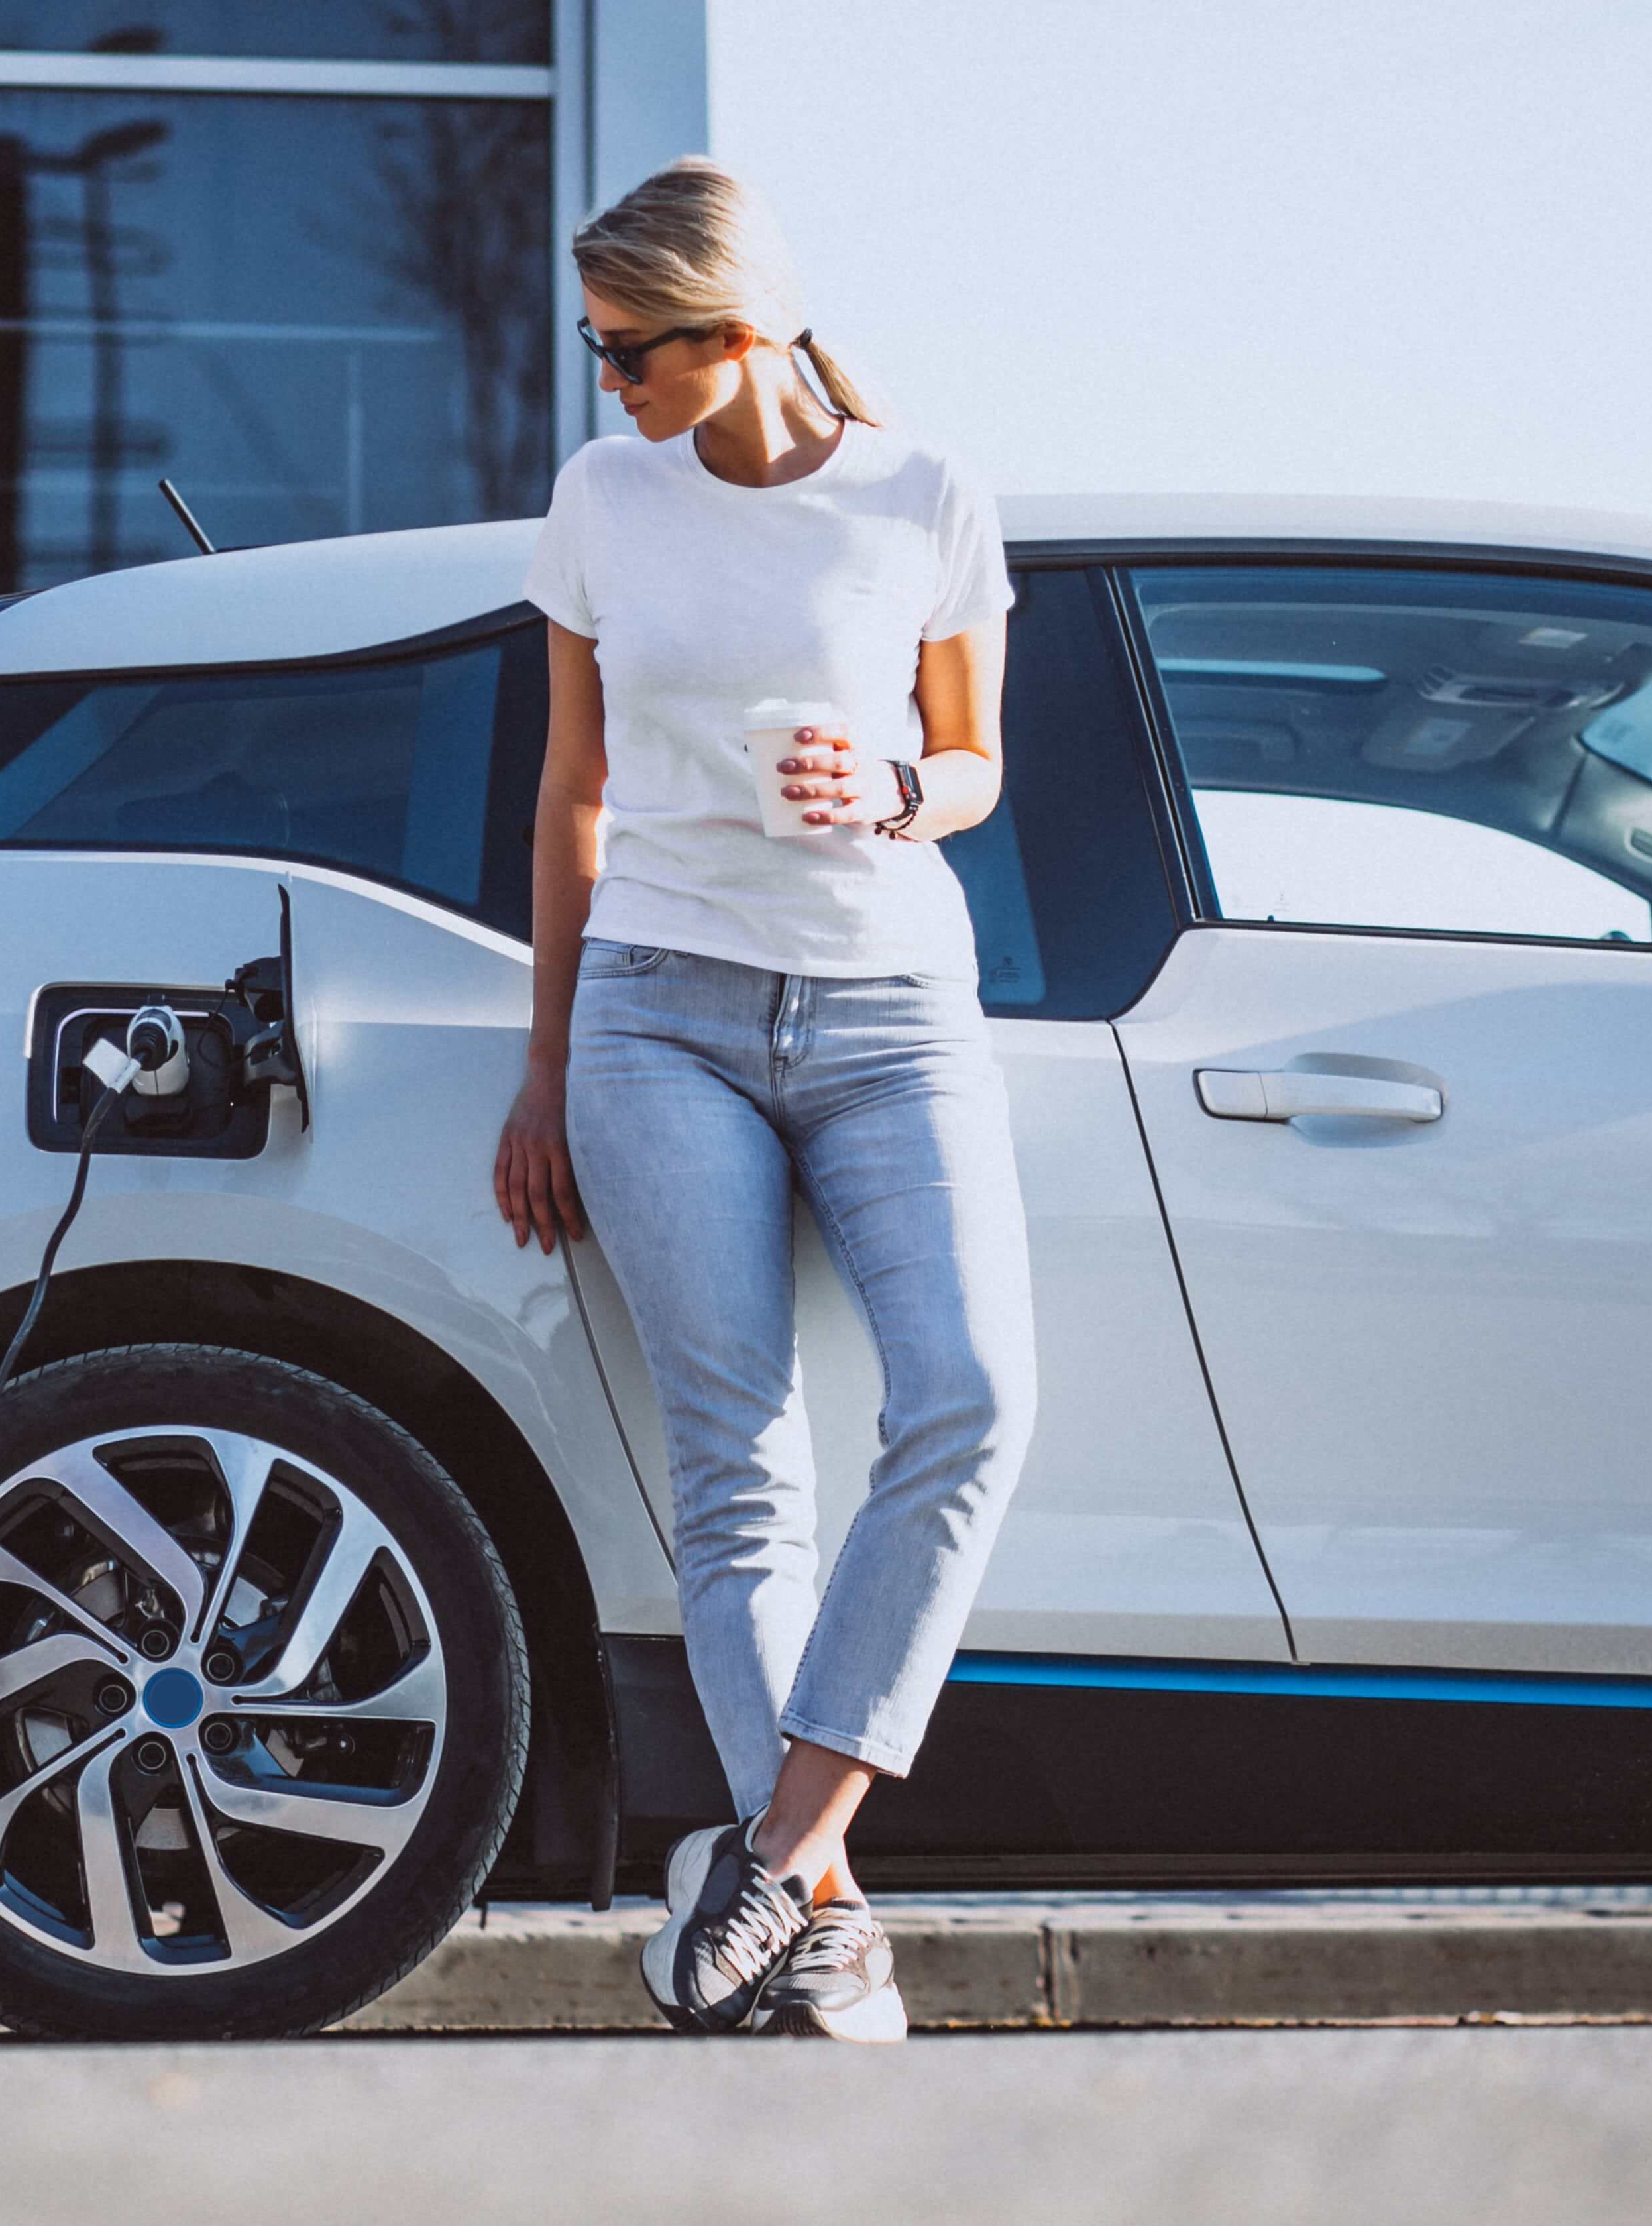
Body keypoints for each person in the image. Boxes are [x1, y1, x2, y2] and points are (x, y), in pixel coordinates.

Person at [492, 157, 1036, 2043]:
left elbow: (974, 761)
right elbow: (572, 793)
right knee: (741, 1478)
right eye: (598, 355)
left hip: (893, 1010)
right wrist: (548, 1064)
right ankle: (826, 1928)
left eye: (632, 355)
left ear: (736, 336)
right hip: (658, 1014)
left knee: (972, 1397)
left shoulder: (925, 496)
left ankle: (774, 1868)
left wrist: (890, 784)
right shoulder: (602, 499)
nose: (610, 388)